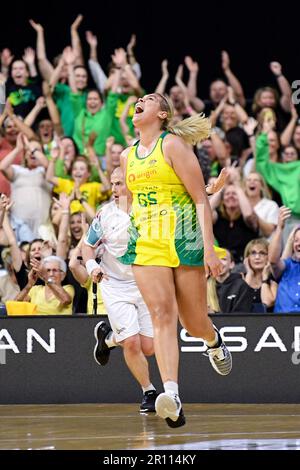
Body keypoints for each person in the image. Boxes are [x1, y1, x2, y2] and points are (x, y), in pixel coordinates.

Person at [119, 93, 232, 428]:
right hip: (146, 243)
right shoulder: (127, 157)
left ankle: (213, 340)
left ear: (162, 114)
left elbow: (198, 198)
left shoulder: (172, 146)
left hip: (184, 237)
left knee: (193, 322)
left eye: (148, 99)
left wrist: (210, 248)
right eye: (138, 99)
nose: (139, 101)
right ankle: (173, 396)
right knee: (161, 315)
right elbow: (129, 202)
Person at [82, 167, 158, 414]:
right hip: (114, 284)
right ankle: (148, 391)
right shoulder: (105, 214)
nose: (114, 189)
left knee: (149, 347)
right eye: (112, 184)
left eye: (120, 184)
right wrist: (92, 266)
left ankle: (107, 339)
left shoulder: (150, 210)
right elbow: (87, 247)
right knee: (133, 343)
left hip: (144, 283)